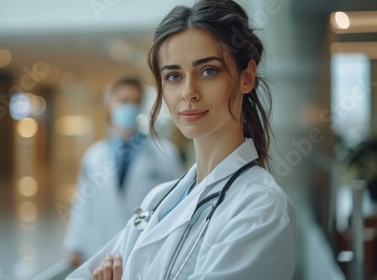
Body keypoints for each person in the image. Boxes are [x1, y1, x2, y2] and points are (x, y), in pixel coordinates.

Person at [66, 0, 296, 279]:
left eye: (208, 71)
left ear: (246, 77)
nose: (188, 92)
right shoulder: (158, 200)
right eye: (174, 76)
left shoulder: (261, 206)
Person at [63, 76, 184, 268]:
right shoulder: (94, 156)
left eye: (135, 102)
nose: (130, 107)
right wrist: (74, 246)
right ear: (110, 105)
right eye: (124, 101)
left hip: (147, 251)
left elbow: (180, 204)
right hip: (101, 249)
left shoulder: (164, 153)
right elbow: (82, 205)